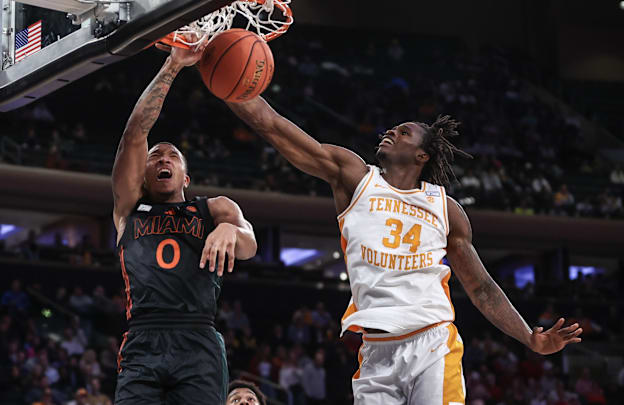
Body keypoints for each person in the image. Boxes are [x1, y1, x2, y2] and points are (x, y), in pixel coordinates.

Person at [226, 96, 583, 404]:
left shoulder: (446, 209)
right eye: (391, 129)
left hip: (432, 342)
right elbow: (272, 125)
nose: (390, 132)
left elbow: (482, 287)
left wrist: (529, 338)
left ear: (422, 155)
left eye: (403, 132)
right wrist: (224, 84)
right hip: (376, 350)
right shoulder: (354, 177)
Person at [111, 42, 258, 405]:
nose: (163, 158)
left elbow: (250, 245)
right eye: (155, 156)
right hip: (144, 336)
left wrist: (230, 230)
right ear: (144, 175)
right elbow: (134, 134)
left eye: (173, 156)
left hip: (197, 336)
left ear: (185, 178)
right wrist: (173, 65)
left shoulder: (214, 209)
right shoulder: (128, 209)